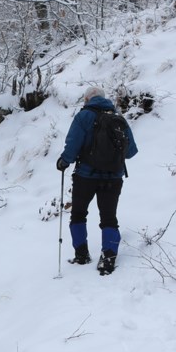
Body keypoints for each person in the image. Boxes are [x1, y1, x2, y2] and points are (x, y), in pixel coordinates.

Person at [55, 86, 135, 276]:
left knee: (78, 214)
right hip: (113, 178)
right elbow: (130, 152)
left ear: (87, 99)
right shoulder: (119, 119)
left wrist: (63, 162)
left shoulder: (83, 117)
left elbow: (72, 144)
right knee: (109, 218)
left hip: (85, 176)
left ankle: (81, 255)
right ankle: (108, 259)